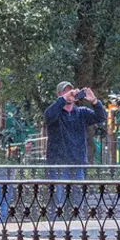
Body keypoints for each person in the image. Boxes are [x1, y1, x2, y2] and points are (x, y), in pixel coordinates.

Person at [42, 83, 103, 213]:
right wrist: (63, 100)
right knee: (58, 202)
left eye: (71, 92)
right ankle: (56, 229)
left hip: (77, 163)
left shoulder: (81, 112)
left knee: (77, 202)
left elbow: (100, 117)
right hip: (58, 165)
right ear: (59, 95)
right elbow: (48, 115)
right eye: (65, 92)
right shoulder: (55, 113)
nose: (70, 95)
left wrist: (94, 101)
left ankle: (77, 229)